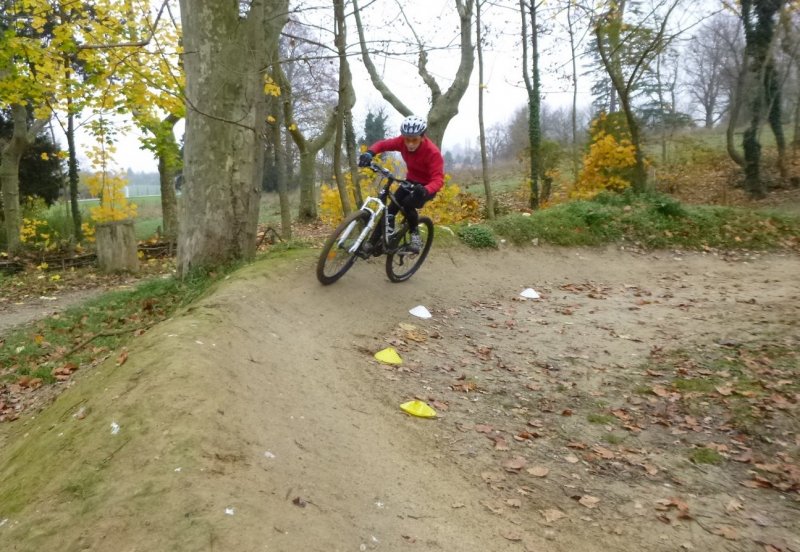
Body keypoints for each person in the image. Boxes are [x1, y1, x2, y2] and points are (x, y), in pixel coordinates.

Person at [358, 115, 444, 253]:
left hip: (427, 187)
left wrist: (426, 190)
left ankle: (415, 235)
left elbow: (438, 179)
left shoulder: (432, 152)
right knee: (391, 209)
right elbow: (382, 144)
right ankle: (371, 244)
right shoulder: (402, 142)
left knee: (408, 203)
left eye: (414, 140)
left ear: (422, 137)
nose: (410, 144)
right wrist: (370, 153)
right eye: (407, 140)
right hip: (411, 181)